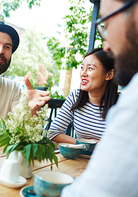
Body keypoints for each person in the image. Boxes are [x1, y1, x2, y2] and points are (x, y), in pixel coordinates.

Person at [62, 0, 138, 196]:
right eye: (82, 67)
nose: (107, 46)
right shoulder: (76, 97)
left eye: (108, 24)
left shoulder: (130, 102)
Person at [47, 48, 118, 144]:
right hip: (79, 158)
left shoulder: (122, 104)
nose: (83, 74)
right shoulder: (76, 97)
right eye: (82, 67)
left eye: (90, 68)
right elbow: (53, 132)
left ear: (109, 75)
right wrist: (84, 144)